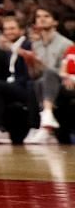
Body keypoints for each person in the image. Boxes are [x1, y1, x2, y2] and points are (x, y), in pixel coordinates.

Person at [23, 8, 69, 143]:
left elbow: (64, 74)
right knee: (35, 82)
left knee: (47, 75)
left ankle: (46, 124)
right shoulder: (36, 44)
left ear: (55, 22)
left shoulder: (66, 44)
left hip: (66, 83)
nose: (41, 19)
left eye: (46, 16)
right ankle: (46, 127)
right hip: (44, 85)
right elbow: (35, 75)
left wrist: (41, 65)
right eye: (38, 17)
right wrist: (31, 63)